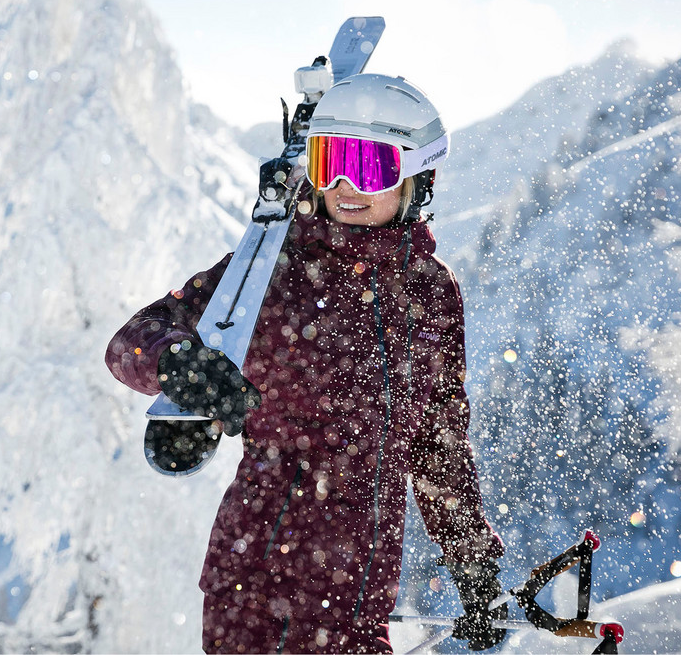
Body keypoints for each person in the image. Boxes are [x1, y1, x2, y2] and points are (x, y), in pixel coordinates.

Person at [105, 73, 505, 654]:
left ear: (419, 176)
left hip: (361, 598)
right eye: (329, 163)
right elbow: (129, 341)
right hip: (259, 592)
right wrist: (180, 365)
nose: (345, 185)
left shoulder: (432, 293)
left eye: (369, 169)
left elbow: (437, 440)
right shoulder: (271, 267)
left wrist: (472, 562)